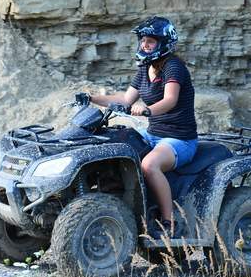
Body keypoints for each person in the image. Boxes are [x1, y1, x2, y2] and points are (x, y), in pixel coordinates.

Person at [84, 16, 198, 239]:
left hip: (179, 139)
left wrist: (147, 110)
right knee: (115, 147)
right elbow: (125, 99)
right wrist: (91, 98)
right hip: (153, 134)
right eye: (143, 40)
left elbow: (170, 100)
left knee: (149, 165)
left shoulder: (174, 67)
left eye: (150, 41)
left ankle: (169, 222)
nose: (144, 45)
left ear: (164, 43)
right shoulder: (145, 67)